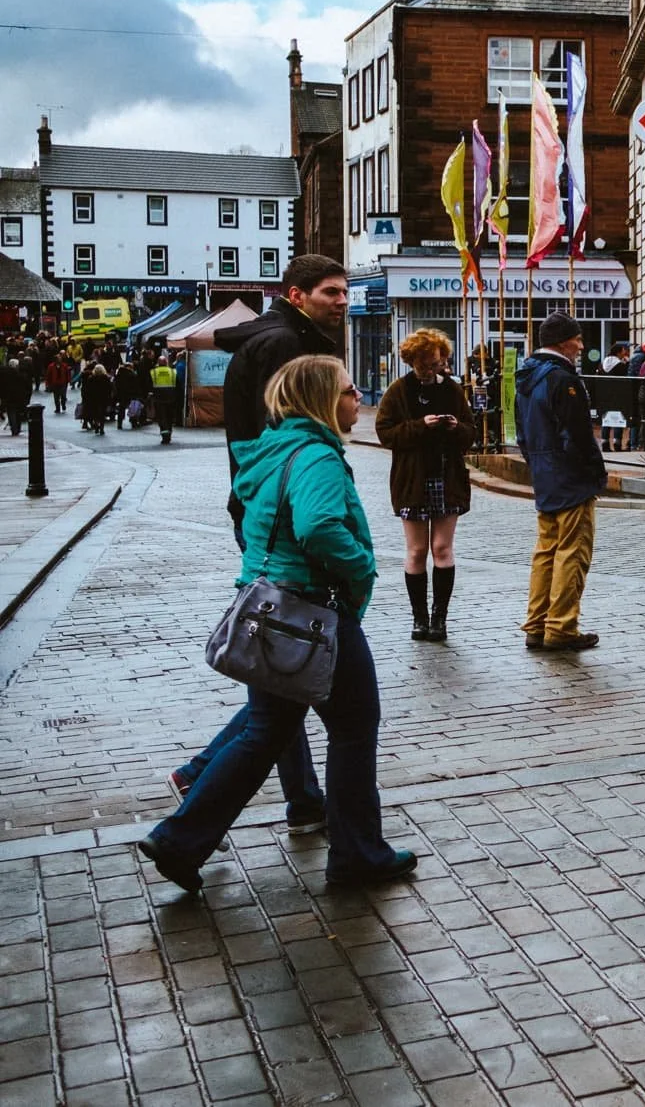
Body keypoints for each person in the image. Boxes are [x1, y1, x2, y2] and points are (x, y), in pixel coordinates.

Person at [139, 355, 416, 894]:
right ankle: (358, 853)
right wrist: (362, 567)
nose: (357, 398)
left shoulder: (272, 451)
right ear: (320, 400)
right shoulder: (317, 455)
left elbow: (256, 518)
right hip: (314, 612)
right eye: (348, 390)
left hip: (268, 607)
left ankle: (179, 838)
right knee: (355, 728)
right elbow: (318, 527)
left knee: (266, 731)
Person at [217, 255, 351, 533]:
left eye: (344, 292)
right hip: (278, 511)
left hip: (268, 504)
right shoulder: (283, 344)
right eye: (331, 292)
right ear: (297, 296)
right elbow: (279, 432)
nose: (343, 301)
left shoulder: (283, 337)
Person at [515, 312, 608, 653]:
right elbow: (578, 434)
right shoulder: (561, 378)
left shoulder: (526, 376)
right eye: (577, 339)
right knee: (573, 552)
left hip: (545, 472)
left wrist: (537, 464)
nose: (581, 346)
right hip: (569, 476)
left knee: (546, 551)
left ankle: (537, 623)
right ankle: (562, 626)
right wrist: (595, 473)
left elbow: (522, 434)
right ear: (561, 342)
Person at [375, 329, 475, 643]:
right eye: (423, 364)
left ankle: (439, 617)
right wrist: (421, 426)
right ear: (411, 361)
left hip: (447, 477)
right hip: (413, 479)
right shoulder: (398, 391)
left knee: (442, 549)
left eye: (434, 363)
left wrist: (457, 427)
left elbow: (471, 433)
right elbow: (385, 433)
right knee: (417, 550)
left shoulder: (454, 390)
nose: (429, 369)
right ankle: (419, 617)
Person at [150, 351, 180, 444]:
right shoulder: (172, 371)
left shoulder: (153, 372)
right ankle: (169, 434)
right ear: (167, 362)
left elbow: (149, 384)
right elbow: (178, 385)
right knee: (169, 416)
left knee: (161, 417)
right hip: (171, 397)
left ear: (158, 363)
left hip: (158, 397)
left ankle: (164, 435)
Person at [78, 362, 111, 435]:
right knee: (102, 414)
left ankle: (96, 426)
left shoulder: (91, 378)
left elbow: (88, 389)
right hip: (103, 398)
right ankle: (102, 428)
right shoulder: (106, 378)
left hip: (93, 398)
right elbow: (109, 389)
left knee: (95, 413)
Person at [0, 357, 27, 435]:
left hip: (8, 396)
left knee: (11, 412)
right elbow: (24, 385)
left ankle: (14, 428)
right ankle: (17, 429)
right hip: (18, 396)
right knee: (18, 413)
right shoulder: (20, 374)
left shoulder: (4, 374)